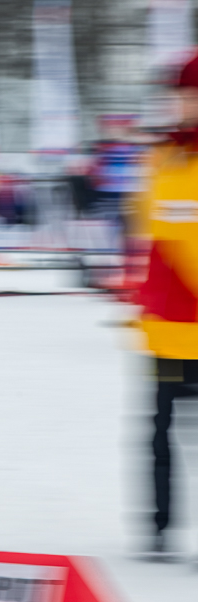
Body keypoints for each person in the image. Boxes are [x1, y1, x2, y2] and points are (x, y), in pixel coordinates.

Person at [132, 51, 198, 559]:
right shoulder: (163, 156)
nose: (185, 103)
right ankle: (158, 529)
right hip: (166, 324)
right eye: (182, 94)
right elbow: (150, 230)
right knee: (158, 431)